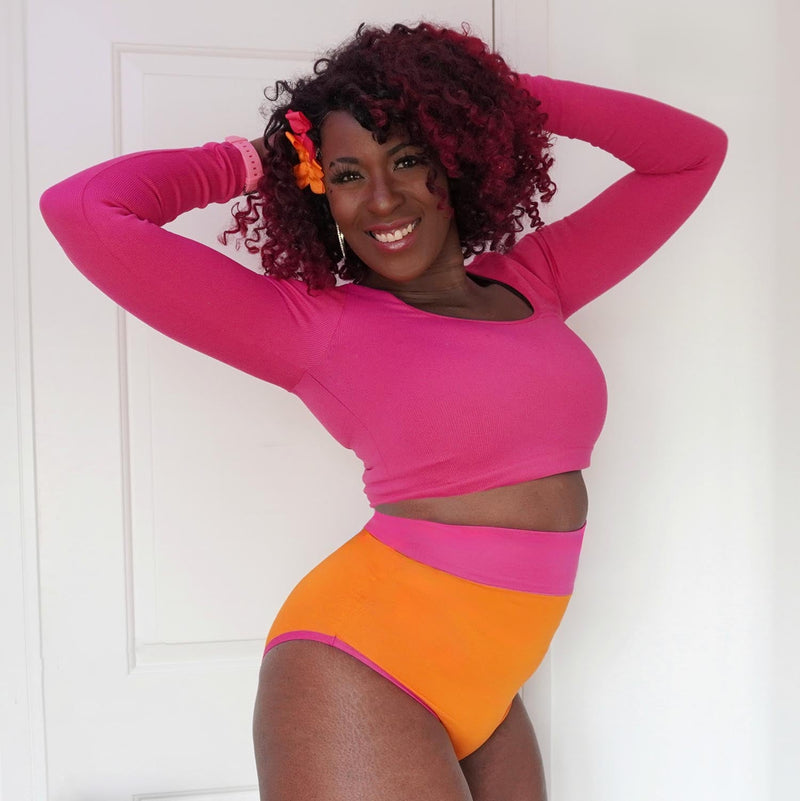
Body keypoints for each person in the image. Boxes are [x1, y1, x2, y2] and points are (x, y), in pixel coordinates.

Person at [40, 22, 727, 801]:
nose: (382, 198)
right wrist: (254, 159)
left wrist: (493, 99)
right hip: (362, 665)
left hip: (491, 677)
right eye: (346, 174)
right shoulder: (314, 329)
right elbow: (82, 208)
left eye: (405, 159)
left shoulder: (533, 280)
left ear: (452, 158)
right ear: (320, 191)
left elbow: (691, 154)